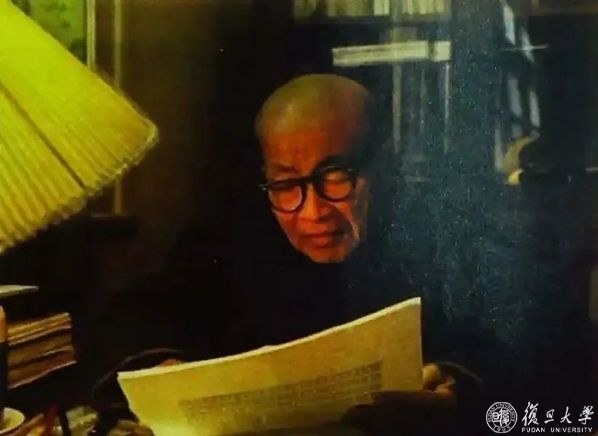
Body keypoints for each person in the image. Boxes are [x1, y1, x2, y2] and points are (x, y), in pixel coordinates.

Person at [92, 74, 484, 435]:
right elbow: (137, 319)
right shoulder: (231, 242)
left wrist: (459, 394)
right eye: (285, 185)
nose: (313, 212)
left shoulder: (446, 243)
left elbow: (503, 373)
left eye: (336, 177)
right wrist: (162, 369)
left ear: (385, 167)